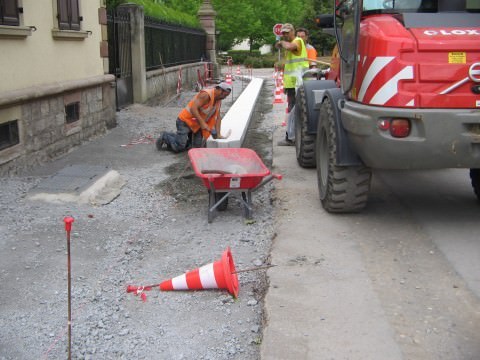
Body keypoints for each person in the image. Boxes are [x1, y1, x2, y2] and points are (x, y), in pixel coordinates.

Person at [156, 82, 232, 153]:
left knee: (195, 148)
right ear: (218, 89)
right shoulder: (206, 95)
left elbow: (218, 118)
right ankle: (164, 136)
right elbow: (193, 109)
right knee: (179, 147)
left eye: (226, 96)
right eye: (224, 95)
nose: (224, 97)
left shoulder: (218, 100)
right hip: (185, 121)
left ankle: (178, 138)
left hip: (196, 125)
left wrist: (218, 134)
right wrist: (203, 124)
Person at [274, 23, 309, 146]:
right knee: (292, 109)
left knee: (293, 110)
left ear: (292, 31)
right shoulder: (292, 41)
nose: (284, 35)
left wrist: (282, 43)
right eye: (283, 33)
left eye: (286, 32)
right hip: (292, 83)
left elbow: (290, 46)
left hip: (297, 83)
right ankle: (293, 136)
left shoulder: (297, 40)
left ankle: (291, 137)